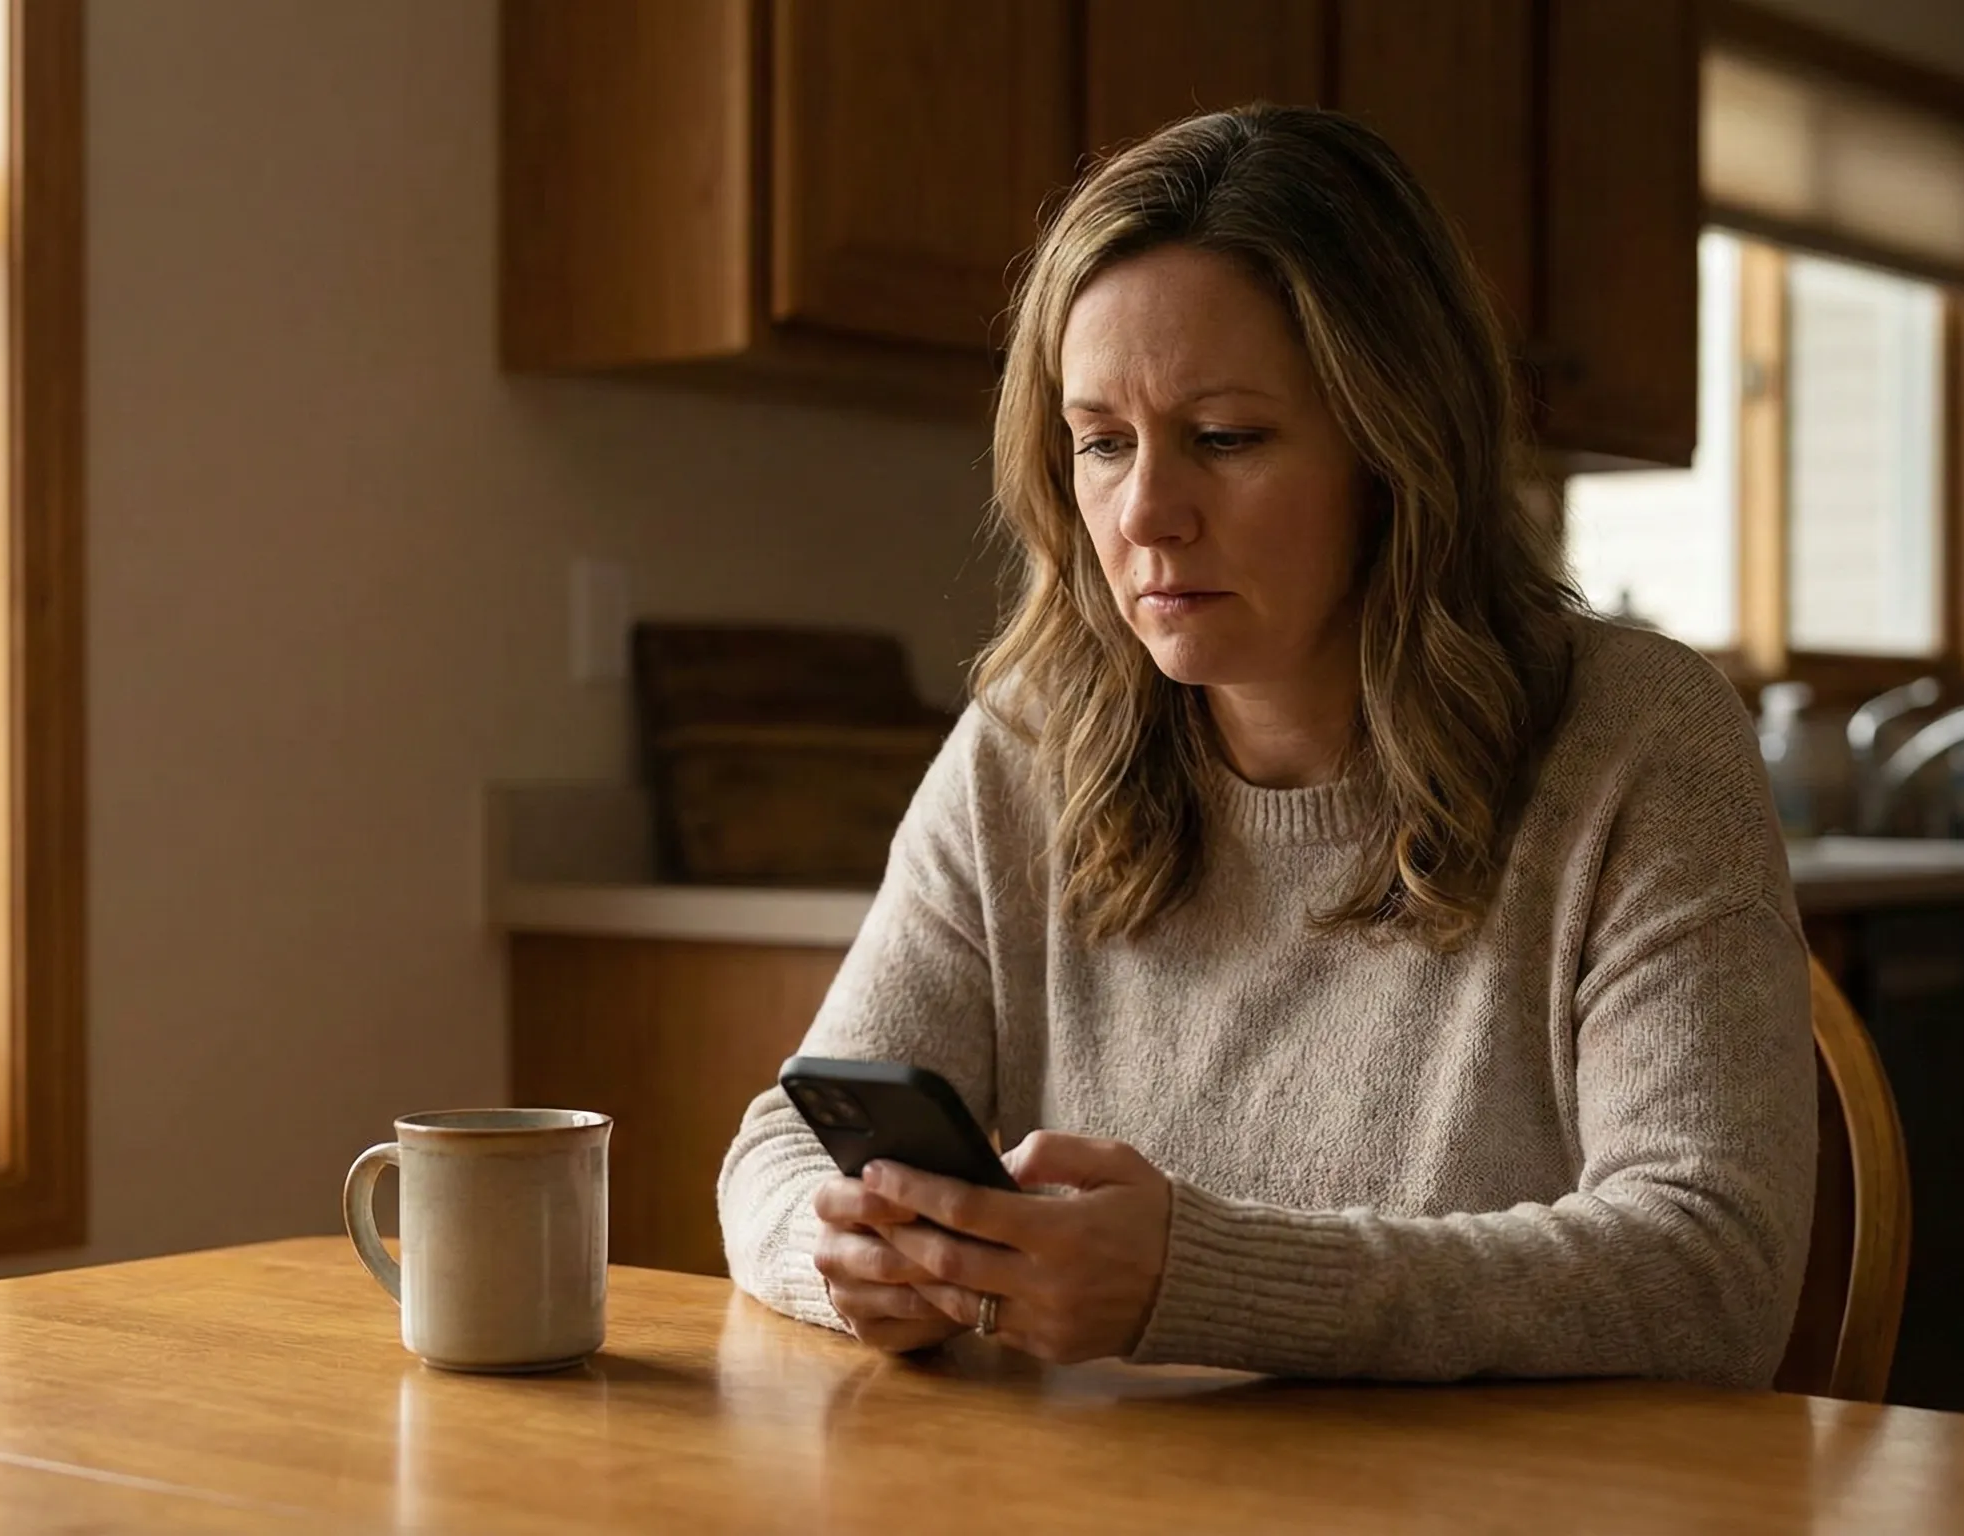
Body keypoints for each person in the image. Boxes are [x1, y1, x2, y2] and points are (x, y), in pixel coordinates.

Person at [715, 105, 1814, 1389]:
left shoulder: (1636, 739)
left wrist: (1199, 1283)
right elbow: (781, 1149)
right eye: (1101, 443)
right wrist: (857, 1261)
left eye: (1225, 438)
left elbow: (1709, 1275)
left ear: (1396, 450)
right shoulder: (1026, 741)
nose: (1145, 514)